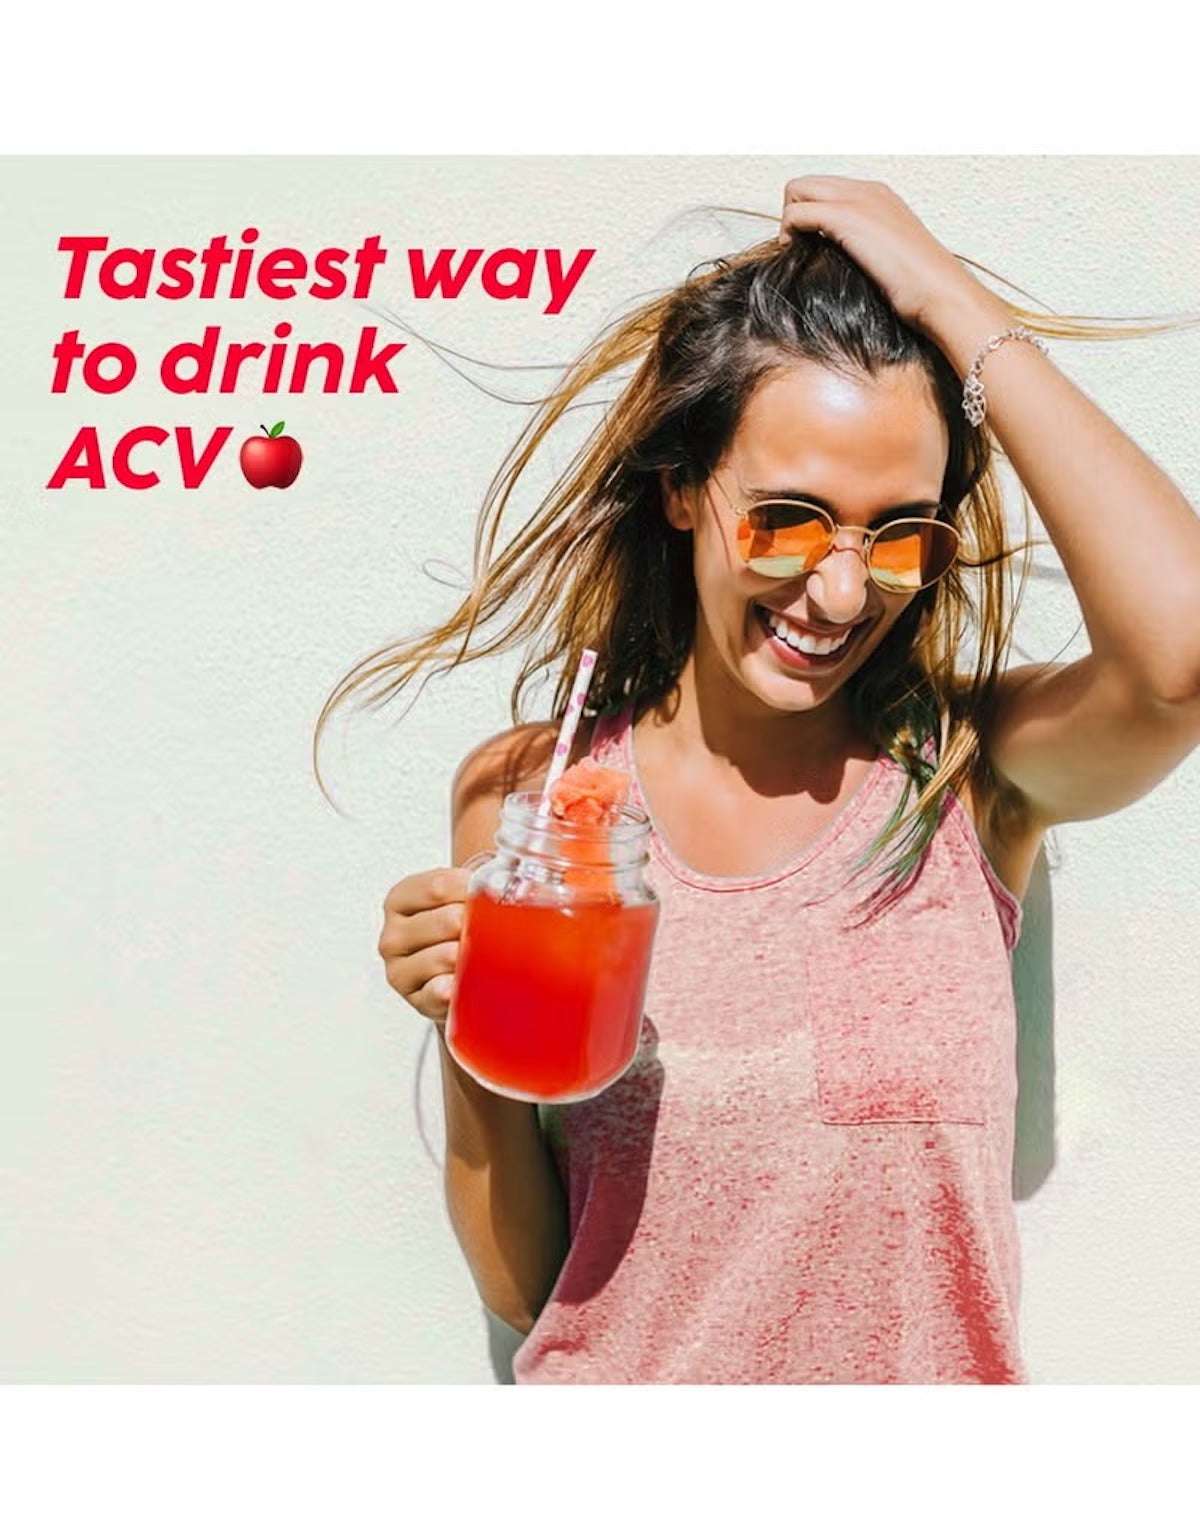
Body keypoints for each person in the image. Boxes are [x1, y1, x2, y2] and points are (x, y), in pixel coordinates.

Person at [320, 175, 1200, 1383]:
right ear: (684, 489)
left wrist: (946, 295)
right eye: (785, 519)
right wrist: (463, 1029)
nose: (842, 592)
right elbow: (534, 1287)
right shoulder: (542, 794)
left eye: (900, 533)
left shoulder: (968, 777)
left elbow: (1179, 657)